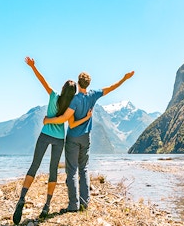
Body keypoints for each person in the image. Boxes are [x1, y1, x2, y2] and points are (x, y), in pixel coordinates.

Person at [13, 57, 92, 225]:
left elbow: (41, 80)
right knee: (53, 171)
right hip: (59, 140)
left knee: (34, 165)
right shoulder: (71, 104)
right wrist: (86, 117)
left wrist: (33, 66)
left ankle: (22, 198)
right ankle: (47, 205)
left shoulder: (53, 95)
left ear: (63, 88)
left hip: (45, 135)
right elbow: (71, 122)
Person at [44, 69, 135, 213]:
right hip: (86, 138)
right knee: (84, 169)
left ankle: (73, 205)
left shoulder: (74, 100)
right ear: (88, 83)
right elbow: (111, 88)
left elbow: (70, 122)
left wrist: (48, 120)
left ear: (78, 83)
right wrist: (124, 78)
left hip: (73, 138)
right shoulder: (93, 95)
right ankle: (85, 204)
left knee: (72, 171)